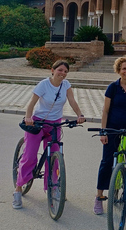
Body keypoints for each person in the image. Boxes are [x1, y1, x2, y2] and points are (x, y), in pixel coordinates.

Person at [13, 60, 85, 209]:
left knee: (54, 158)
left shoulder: (66, 85)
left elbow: (72, 101)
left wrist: (79, 115)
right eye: (60, 70)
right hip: (38, 123)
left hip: (55, 124)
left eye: (65, 71)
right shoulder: (44, 84)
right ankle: (18, 188)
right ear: (52, 70)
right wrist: (28, 118)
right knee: (29, 156)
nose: (62, 74)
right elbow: (32, 103)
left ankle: (52, 188)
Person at [93, 55, 126, 215]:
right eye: (124, 68)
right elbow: (106, 110)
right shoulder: (113, 87)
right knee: (107, 161)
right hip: (113, 128)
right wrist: (104, 130)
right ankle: (99, 196)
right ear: (119, 70)